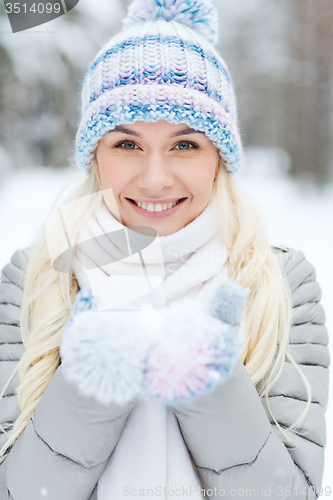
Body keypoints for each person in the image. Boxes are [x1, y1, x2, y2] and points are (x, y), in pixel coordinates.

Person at [0, 0, 330, 499]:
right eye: (127, 145)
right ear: (95, 156)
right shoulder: (35, 279)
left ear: (220, 157)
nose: (155, 179)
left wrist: (210, 382)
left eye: (185, 145)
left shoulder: (279, 283)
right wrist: (89, 389)